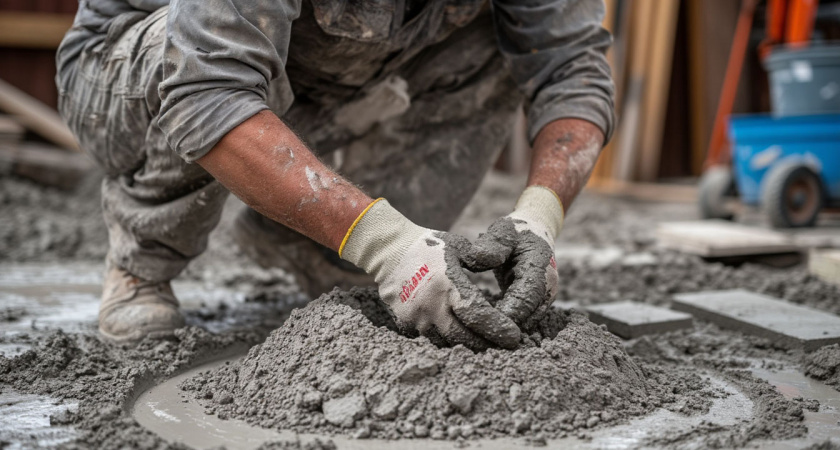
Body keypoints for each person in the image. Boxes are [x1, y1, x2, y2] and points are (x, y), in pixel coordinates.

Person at [56, 0, 614, 349]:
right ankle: (140, 265)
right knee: (179, 56)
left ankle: (314, 247)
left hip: (322, 78)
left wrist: (539, 218)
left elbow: (571, 67)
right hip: (127, 71)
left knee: (495, 43)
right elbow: (209, 89)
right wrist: (385, 244)